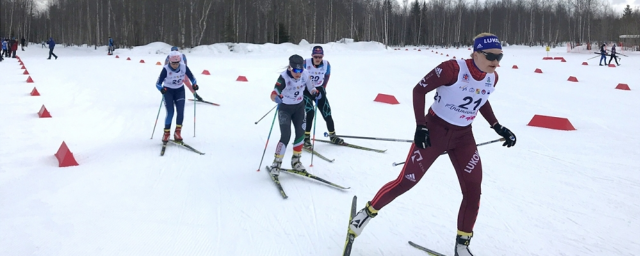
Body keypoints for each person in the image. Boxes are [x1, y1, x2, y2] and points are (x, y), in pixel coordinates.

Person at [347, 32, 517, 256]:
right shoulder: (452, 69)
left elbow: (481, 99)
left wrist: (497, 126)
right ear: (475, 54)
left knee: (473, 190)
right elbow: (419, 90)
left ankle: (462, 245)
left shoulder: (492, 77)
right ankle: (367, 213)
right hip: (435, 131)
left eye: (500, 57)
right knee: (405, 182)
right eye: (490, 56)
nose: (496, 62)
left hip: (463, 137)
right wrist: (421, 125)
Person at [268, 54, 320, 176]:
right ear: (290, 68)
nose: (298, 73)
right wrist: (276, 98)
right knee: (286, 135)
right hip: (285, 109)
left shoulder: (305, 74)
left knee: (300, 133)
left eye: (300, 70)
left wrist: (315, 92)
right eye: (296, 70)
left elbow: (311, 87)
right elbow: (273, 93)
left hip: (299, 107)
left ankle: (296, 161)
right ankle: (276, 163)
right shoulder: (284, 77)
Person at [301, 46, 344, 148]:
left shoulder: (326, 64)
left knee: (327, 112)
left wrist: (323, 88)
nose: (317, 59)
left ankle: (332, 135)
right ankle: (306, 138)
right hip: (306, 90)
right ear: (312, 56)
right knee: (310, 112)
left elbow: (327, 76)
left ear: (322, 56)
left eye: (320, 57)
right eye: (315, 56)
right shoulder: (305, 63)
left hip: (319, 89)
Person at [155, 51, 199, 143]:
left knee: (180, 111)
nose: (175, 65)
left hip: (180, 91)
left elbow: (192, 78)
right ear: (169, 62)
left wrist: (194, 84)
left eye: (177, 63)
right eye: (173, 63)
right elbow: (158, 83)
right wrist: (161, 89)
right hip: (168, 91)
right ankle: (166, 133)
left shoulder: (183, 67)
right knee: (170, 112)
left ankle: (177, 132)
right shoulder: (165, 69)